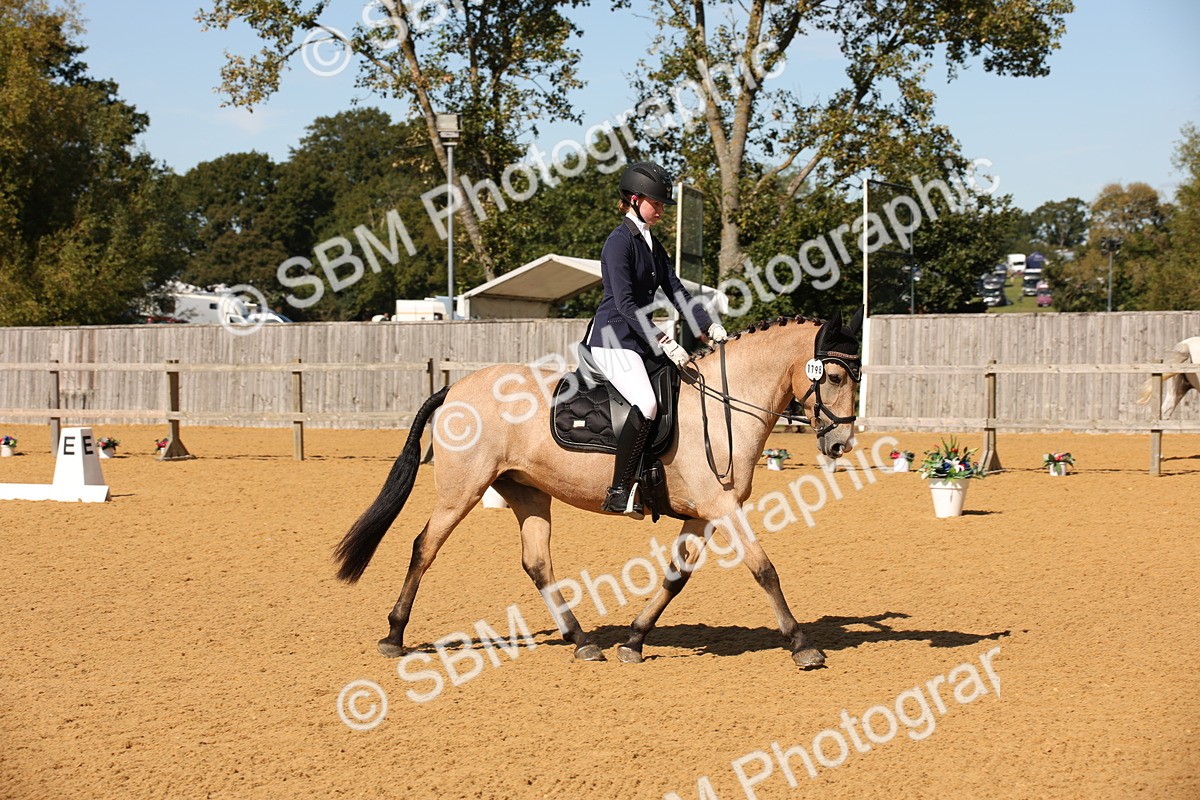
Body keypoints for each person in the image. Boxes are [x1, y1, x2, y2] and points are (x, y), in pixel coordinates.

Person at [586, 161, 728, 515]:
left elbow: (676, 290)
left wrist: (708, 325)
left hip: (639, 339)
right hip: (612, 339)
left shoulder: (651, 243)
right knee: (647, 404)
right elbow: (625, 304)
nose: (662, 210)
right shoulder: (618, 243)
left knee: (680, 388)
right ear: (635, 200)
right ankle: (619, 490)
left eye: (663, 204)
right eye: (656, 203)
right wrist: (664, 340)